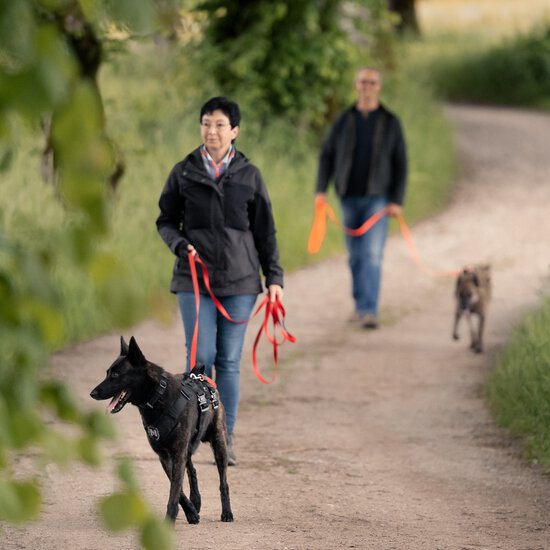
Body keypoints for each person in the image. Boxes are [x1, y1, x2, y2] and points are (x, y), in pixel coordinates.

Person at [156, 97, 284, 465]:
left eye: (219, 125)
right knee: (200, 360)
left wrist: (273, 276)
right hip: (193, 279)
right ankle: (192, 436)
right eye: (206, 124)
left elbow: (266, 232)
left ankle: (224, 439)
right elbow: (165, 221)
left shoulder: (250, 175)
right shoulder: (183, 172)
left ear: (235, 131)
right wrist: (180, 245)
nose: (211, 131)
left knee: (228, 361)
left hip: (241, 282)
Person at [315, 67, 408, 329]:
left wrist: (397, 200)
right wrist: (320, 191)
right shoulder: (343, 120)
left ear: (378, 87)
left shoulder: (390, 122)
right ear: (356, 85)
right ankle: (359, 304)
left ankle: (369, 310)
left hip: (378, 200)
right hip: (348, 196)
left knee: (372, 254)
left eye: (372, 82)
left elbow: (401, 163)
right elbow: (326, 155)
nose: (367, 86)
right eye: (363, 82)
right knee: (355, 256)